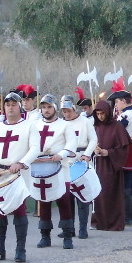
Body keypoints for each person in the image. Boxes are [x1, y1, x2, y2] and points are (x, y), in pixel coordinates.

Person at [0, 91, 34, 262]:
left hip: (17, 174)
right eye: (8, 105)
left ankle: (20, 250)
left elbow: (35, 148)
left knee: (19, 210)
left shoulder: (28, 126)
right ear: (3, 107)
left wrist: (20, 163)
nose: (10, 108)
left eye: (13, 105)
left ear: (19, 107)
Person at [22, 94, 78, 249]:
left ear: (55, 108)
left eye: (49, 107)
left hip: (60, 167)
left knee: (63, 200)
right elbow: (28, 143)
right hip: (40, 166)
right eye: (44, 107)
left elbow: (72, 143)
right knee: (44, 201)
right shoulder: (35, 125)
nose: (46, 110)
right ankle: (45, 236)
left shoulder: (65, 125)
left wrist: (61, 154)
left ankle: (67, 236)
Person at [61, 94, 97, 239]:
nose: (66, 114)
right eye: (64, 111)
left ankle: (83, 228)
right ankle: (69, 228)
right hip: (66, 162)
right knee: (67, 198)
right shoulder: (61, 124)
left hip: (81, 160)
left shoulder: (85, 122)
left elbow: (93, 139)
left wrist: (87, 154)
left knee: (83, 196)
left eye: (68, 111)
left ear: (74, 109)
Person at [92, 100, 131, 231]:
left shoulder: (116, 126)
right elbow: (89, 143)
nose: (100, 116)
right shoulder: (95, 126)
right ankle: (100, 222)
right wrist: (94, 149)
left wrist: (108, 152)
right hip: (98, 165)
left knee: (110, 193)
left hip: (111, 166)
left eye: (103, 113)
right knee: (99, 194)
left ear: (108, 112)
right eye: (98, 114)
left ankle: (114, 223)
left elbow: (123, 148)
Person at [111, 85, 132, 224]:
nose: (116, 105)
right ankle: (129, 216)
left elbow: (116, 130)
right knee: (128, 182)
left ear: (123, 101)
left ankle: (128, 216)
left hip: (127, 147)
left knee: (126, 184)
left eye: (117, 102)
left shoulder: (126, 115)